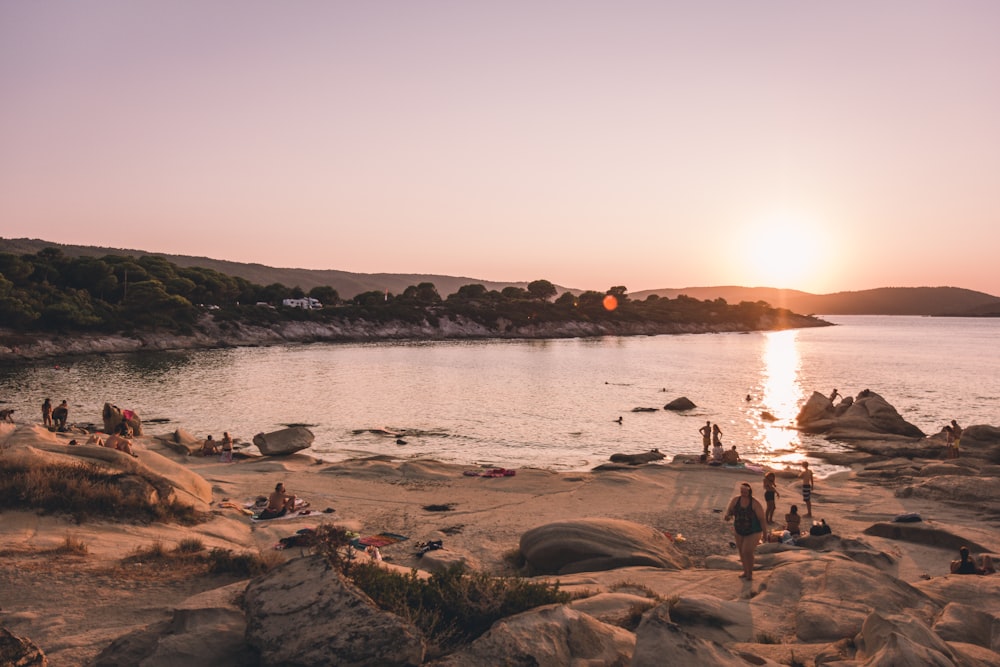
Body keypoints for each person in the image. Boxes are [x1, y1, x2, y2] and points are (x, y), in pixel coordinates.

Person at [724, 482, 767, 581]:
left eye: (745, 491)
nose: (743, 493)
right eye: (742, 491)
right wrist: (728, 516)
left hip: (753, 531)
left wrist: (765, 534)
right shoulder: (736, 500)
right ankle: (745, 571)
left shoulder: (755, 503)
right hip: (739, 529)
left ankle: (750, 573)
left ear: (749, 491)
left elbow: (762, 519)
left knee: (747, 551)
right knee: (741, 551)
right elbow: (730, 511)